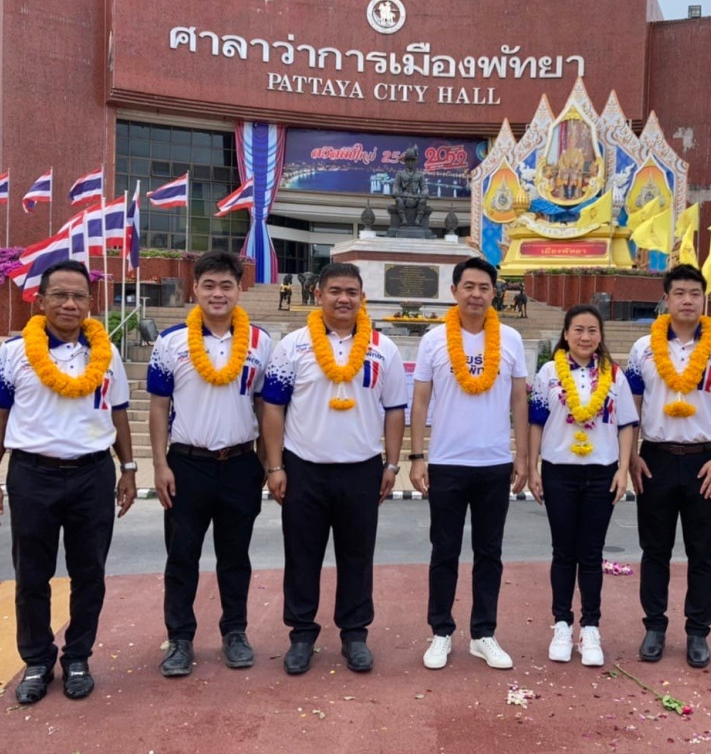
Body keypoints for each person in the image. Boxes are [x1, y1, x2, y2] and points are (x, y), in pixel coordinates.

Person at [0, 260, 136, 704]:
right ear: (41, 301)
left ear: (90, 303)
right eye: (60, 295)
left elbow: (119, 412)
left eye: (79, 296)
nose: (70, 304)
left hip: (92, 474)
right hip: (33, 474)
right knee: (32, 575)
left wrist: (128, 468)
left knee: (90, 573)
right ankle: (36, 661)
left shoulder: (106, 353)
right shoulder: (14, 352)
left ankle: (78, 657)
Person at [260, 263, 407, 675]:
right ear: (319, 295)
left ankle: (355, 634)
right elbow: (273, 407)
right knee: (301, 554)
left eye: (352, 292)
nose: (344, 299)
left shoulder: (383, 348)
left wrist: (392, 463)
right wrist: (275, 465)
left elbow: (395, 410)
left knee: (357, 555)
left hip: (362, 469)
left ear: (362, 298)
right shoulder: (293, 346)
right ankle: (301, 634)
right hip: (304, 468)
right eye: (335, 291)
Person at [146, 250, 273, 678]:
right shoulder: (171, 342)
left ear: (240, 290)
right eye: (209, 285)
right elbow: (158, 407)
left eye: (226, 286)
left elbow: (266, 406)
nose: (218, 294)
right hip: (187, 465)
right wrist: (160, 465)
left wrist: (267, 462)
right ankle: (180, 638)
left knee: (235, 558)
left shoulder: (260, 342)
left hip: (240, 463)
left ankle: (235, 632)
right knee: (181, 557)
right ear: (195, 288)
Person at [410, 257, 529, 670]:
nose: (476, 294)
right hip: (447, 462)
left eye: (484, 288)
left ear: (495, 293)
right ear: (454, 291)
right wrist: (418, 456)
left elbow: (519, 400)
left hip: (494, 462)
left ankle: (483, 634)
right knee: (444, 551)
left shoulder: (511, 339)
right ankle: (441, 631)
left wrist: (522, 456)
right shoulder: (433, 340)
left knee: (489, 552)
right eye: (469, 286)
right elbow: (420, 401)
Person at [626, 264, 711, 668]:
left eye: (695, 293)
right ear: (666, 299)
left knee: (702, 551)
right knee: (654, 550)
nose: (688, 300)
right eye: (679, 293)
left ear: (704, 299)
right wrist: (631, 455)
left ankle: (698, 631)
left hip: (704, 461)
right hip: (655, 458)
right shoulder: (642, 349)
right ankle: (654, 627)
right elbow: (632, 404)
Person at [527, 305, 637, 666]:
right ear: (566, 334)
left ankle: (590, 627)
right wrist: (533, 468)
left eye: (592, 330)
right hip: (559, 472)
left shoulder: (614, 375)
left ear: (600, 335)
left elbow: (626, 425)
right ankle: (561, 624)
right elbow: (536, 422)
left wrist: (623, 468)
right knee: (563, 552)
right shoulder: (549, 373)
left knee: (591, 554)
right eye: (578, 330)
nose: (585, 337)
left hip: (601, 473)